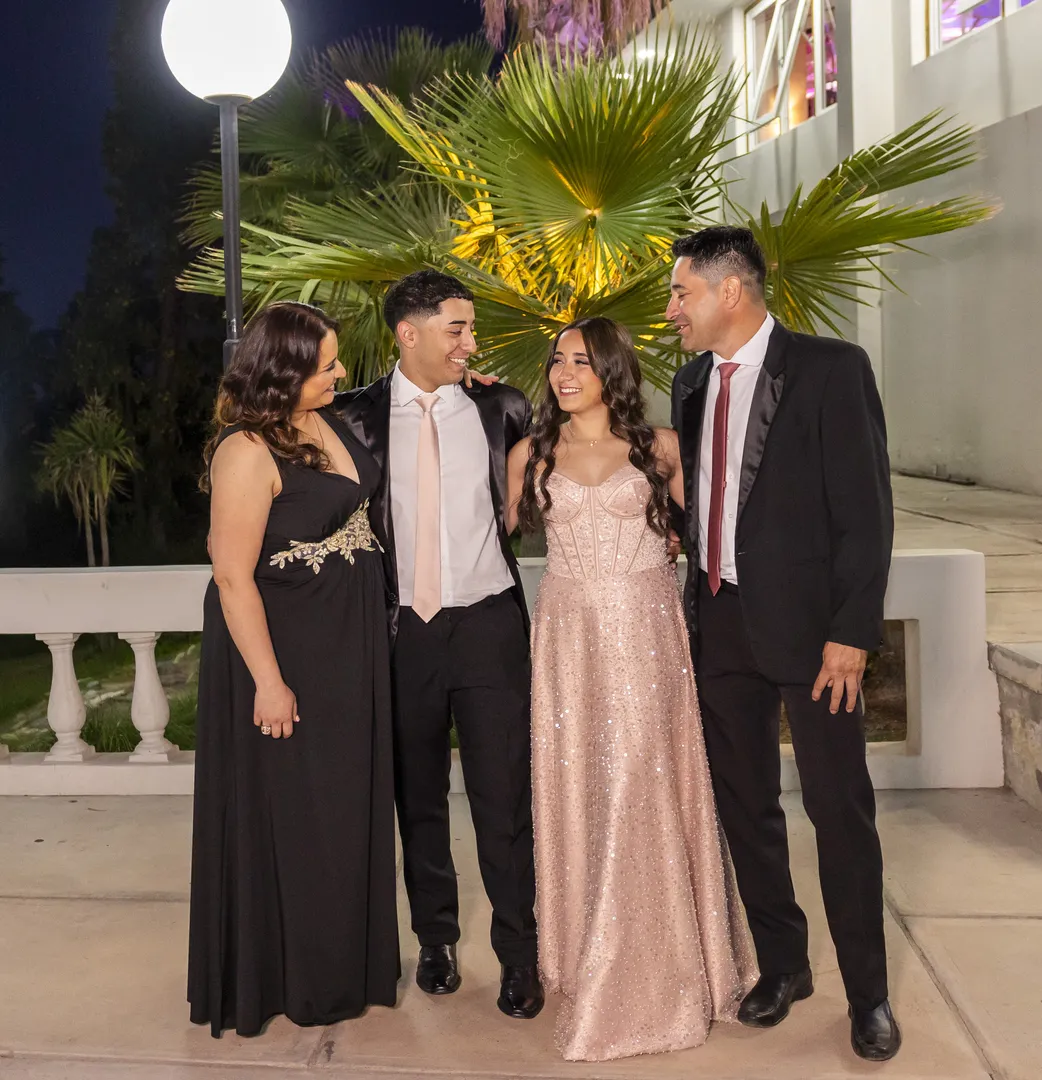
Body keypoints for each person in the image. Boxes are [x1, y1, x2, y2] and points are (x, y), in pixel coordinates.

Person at [666, 226, 899, 1061]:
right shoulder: (690, 381)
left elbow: (867, 514)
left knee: (839, 811)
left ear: (730, 291)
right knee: (747, 807)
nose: (672, 310)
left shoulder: (833, 370)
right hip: (720, 623)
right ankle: (784, 966)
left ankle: (868, 997)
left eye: (681, 293)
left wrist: (851, 633)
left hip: (813, 636)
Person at [505, 317, 756, 1061]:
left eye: (581, 361)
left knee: (639, 783)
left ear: (612, 369)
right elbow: (493, 535)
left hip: (646, 636)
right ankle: (587, 951)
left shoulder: (661, 448)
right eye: (557, 360)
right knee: (581, 785)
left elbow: (709, 537)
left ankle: (661, 966)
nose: (563, 372)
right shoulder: (529, 452)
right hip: (567, 639)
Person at [335, 270, 543, 1020]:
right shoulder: (351, 417)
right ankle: (436, 940)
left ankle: (520, 954)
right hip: (400, 631)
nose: (470, 343)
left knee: (505, 798)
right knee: (416, 797)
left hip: (488, 624)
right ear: (408, 333)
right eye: (457, 329)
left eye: (471, 329)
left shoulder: (501, 407)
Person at [188, 302, 399, 1037]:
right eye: (326, 365)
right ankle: (294, 977)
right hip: (286, 653)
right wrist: (270, 683)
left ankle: (346, 966)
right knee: (299, 813)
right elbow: (231, 576)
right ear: (282, 373)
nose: (339, 372)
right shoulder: (246, 450)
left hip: (346, 647)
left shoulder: (325, 419)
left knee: (343, 809)